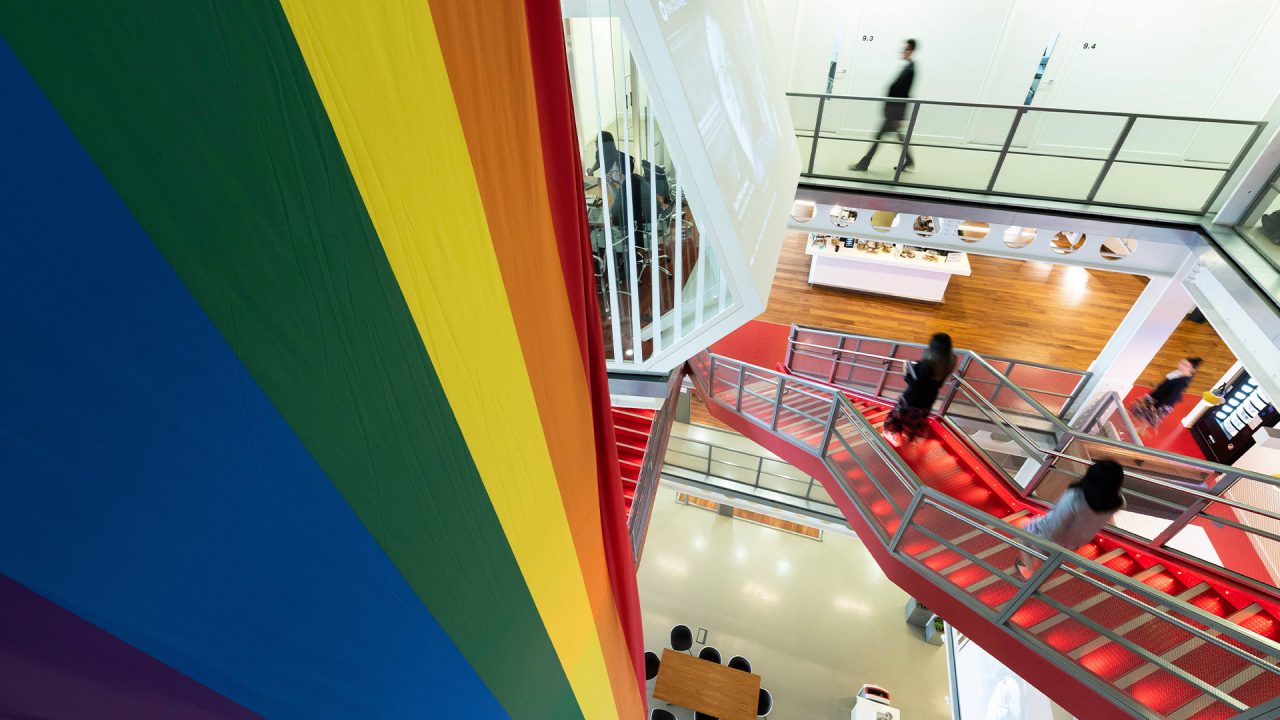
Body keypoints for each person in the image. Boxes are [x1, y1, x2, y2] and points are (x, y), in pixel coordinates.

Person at [1015, 460, 1125, 578]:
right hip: (1077, 541)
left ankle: (1029, 571)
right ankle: (1042, 570)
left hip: (1054, 536)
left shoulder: (1075, 497)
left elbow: (1056, 525)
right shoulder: (1118, 502)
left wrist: (1043, 538)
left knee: (1025, 532)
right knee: (1052, 557)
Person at [849, 39, 917, 173]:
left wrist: (901, 117)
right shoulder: (908, 68)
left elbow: (905, 94)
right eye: (904, 49)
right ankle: (909, 160)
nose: (903, 51)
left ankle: (864, 163)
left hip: (895, 111)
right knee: (895, 135)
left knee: (879, 136)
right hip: (893, 110)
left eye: (906, 49)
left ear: (912, 51)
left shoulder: (910, 70)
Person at [882, 332, 955, 446]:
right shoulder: (951, 361)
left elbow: (914, 385)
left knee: (897, 417)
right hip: (929, 399)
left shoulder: (925, 365)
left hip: (912, 399)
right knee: (915, 420)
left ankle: (892, 435)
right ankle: (910, 438)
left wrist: (906, 373)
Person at [1129, 357, 1202, 431]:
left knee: (1149, 416)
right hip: (1158, 395)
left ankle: (1141, 429)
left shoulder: (1183, 382)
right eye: (1181, 363)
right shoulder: (1178, 373)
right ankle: (1142, 428)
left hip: (1163, 402)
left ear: (1192, 370)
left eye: (1185, 365)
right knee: (1142, 410)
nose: (1181, 365)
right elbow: (1166, 382)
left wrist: (1156, 406)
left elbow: (1171, 396)